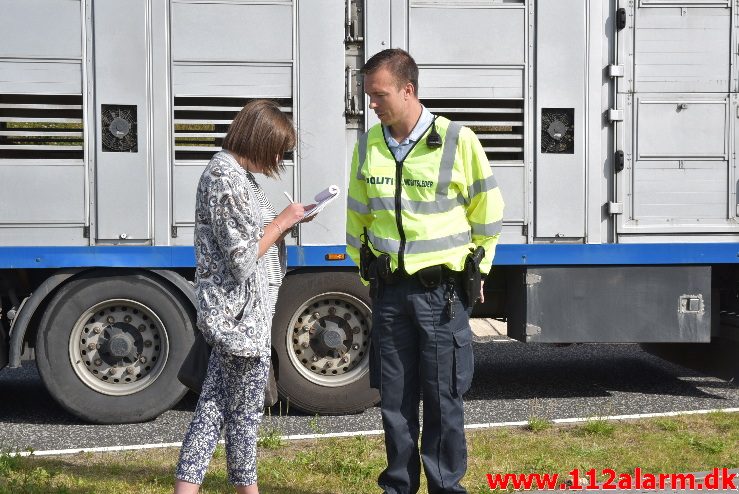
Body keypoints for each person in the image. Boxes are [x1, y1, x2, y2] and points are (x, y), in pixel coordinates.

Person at [346, 49, 504, 494]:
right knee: (393, 403)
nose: (371, 105)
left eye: (379, 96)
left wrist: (479, 270)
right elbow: (357, 218)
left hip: (442, 295)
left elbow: (489, 212)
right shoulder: (367, 146)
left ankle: (445, 487)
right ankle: (398, 486)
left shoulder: (457, 140)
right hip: (391, 293)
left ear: (408, 90)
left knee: (442, 400)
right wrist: (368, 277)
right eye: (368, 96)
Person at [174, 99, 313, 494]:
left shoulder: (238, 175)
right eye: (276, 150)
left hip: (245, 315)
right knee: (238, 414)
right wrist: (284, 220)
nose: (277, 160)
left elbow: (254, 241)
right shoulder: (225, 177)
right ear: (258, 138)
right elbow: (241, 258)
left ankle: (206, 488)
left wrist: (289, 222)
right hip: (240, 319)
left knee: (222, 410)